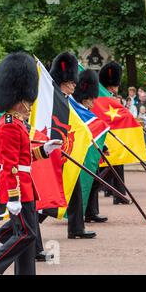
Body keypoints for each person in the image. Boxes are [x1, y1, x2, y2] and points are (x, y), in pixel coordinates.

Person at [0, 52, 62, 275]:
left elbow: (24, 157)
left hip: (25, 185)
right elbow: (9, 165)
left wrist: (44, 150)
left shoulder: (16, 124)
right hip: (17, 187)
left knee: (26, 233)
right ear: (18, 102)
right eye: (27, 102)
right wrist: (14, 197)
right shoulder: (8, 126)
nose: (30, 105)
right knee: (27, 234)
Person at [50, 52, 97, 239]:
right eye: (71, 83)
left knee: (74, 187)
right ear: (63, 82)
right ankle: (3, 234)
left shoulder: (65, 98)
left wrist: (87, 134)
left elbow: (76, 122)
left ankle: (76, 228)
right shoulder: (53, 97)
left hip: (65, 150)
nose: (74, 86)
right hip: (51, 151)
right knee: (49, 196)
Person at [71, 69, 109, 223]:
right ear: (85, 99)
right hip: (79, 152)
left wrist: (104, 146)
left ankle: (90, 212)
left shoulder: (85, 110)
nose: (94, 103)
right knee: (85, 183)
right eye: (92, 100)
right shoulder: (75, 109)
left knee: (94, 181)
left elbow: (93, 131)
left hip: (89, 150)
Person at [98, 61, 129, 205]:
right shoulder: (103, 97)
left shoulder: (109, 97)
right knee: (111, 164)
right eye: (114, 86)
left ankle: (115, 192)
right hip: (106, 133)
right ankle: (115, 192)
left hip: (113, 132)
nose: (116, 89)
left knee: (115, 164)